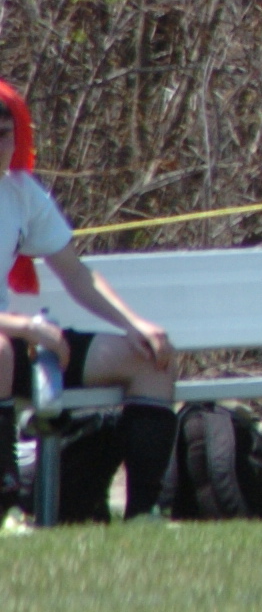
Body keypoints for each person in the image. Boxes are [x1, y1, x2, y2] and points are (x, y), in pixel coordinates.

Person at [0, 79, 181, 522]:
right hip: (6, 343)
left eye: (4, 134)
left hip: (12, 343)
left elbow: (77, 275)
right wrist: (26, 328)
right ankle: (7, 513)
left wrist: (134, 324)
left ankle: (145, 516)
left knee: (150, 359)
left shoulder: (20, 193)